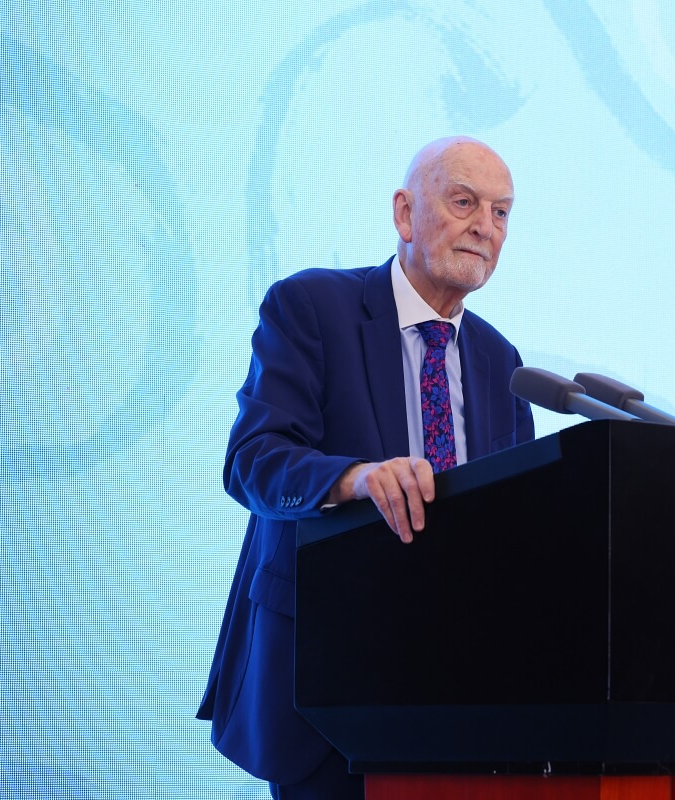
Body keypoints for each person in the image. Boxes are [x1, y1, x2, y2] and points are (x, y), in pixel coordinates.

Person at [197, 136, 535, 799]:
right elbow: (253, 460)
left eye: (501, 212)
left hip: (461, 699)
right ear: (405, 213)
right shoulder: (312, 307)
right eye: (464, 202)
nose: (485, 227)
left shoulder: (503, 363)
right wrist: (355, 479)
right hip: (327, 691)